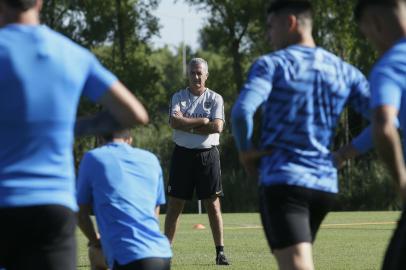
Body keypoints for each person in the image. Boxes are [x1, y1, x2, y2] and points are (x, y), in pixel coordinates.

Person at [0, 1, 148, 269]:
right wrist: (74, 127)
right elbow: (134, 113)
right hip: (53, 205)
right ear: (39, 2)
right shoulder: (71, 53)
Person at [231, 1, 372, 269]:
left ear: (291, 22)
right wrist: (345, 154)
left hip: (284, 181)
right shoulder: (344, 71)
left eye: (270, 27)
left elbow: (241, 112)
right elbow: (385, 121)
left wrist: (245, 150)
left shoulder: (272, 65)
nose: (267, 35)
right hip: (324, 186)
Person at [355, 1, 406, 269]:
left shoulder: (390, 65)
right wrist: (347, 151)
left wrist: (401, 182)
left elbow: (385, 125)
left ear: (374, 22)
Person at [164, 58, 229, 265]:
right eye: (193, 73)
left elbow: (217, 126)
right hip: (182, 154)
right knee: (175, 204)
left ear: (206, 75)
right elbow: (175, 122)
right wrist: (202, 121)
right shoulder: (178, 97)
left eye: (200, 73)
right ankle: (165, 252)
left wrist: (187, 124)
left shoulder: (215, 98)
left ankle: (220, 252)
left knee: (213, 204)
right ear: (188, 75)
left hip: (207, 155)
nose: (196, 76)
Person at [76, 130, 172, 270]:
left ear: (101, 137)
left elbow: (80, 211)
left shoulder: (93, 158)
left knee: (95, 254)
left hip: (128, 256)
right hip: (161, 254)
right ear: (130, 139)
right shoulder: (151, 159)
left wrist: (95, 241)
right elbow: (154, 211)